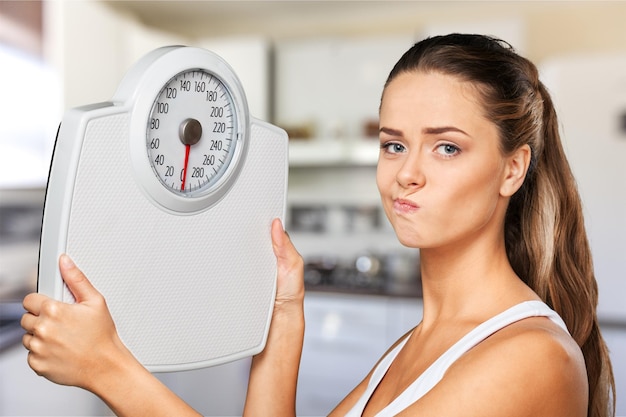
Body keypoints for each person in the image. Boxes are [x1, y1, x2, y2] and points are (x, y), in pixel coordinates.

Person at [21, 34, 615, 417]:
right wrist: (285, 318)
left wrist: (109, 368)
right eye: (392, 144)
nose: (406, 174)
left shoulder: (531, 359)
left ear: (513, 168)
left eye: (447, 148)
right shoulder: (412, 348)